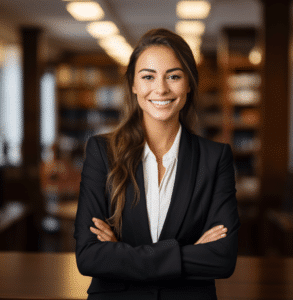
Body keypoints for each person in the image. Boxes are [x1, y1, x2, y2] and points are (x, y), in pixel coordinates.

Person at [74, 28, 240, 300]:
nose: (161, 88)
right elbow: (89, 256)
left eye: (173, 76)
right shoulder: (102, 152)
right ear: (134, 85)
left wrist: (120, 252)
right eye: (148, 77)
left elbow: (222, 258)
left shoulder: (215, 158)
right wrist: (186, 254)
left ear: (189, 83)